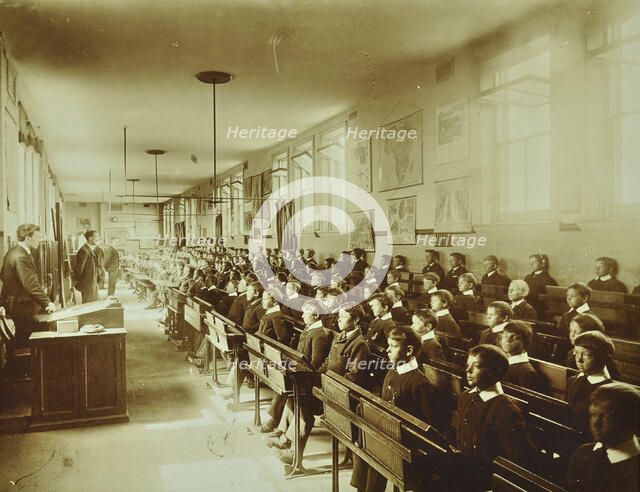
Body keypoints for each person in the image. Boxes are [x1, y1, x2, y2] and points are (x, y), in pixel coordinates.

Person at [351, 326, 436, 492]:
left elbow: (426, 424)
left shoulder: (419, 383)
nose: (387, 350)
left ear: (409, 350)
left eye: (393, 346)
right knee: (369, 445)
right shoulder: (392, 371)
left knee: (375, 447)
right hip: (387, 435)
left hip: (404, 445)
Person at [457, 344, 536, 490]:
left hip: (488, 481)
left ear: (494, 372)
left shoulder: (506, 411)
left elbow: (519, 460)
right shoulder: (465, 397)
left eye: (477, 366)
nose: (467, 370)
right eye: (468, 365)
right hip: (467, 472)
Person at [269, 300, 332, 463]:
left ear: (316, 315)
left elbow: (314, 366)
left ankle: (292, 452)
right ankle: (284, 438)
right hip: (304, 380)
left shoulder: (319, 335)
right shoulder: (310, 330)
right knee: (291, 397)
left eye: (306, 312)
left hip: (313, 385)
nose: (302, 315)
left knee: (301, 404)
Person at [567, 382, 639, 492]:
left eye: (606, 417)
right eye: (593, 415)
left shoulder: (634, 471)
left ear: (629, 422)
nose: (595, 423)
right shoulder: (582, 453)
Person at [0, 224, 56, 347]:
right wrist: (47, 303)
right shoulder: (20, 256)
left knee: (27, 337)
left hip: (16, 306)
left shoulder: (14, 252)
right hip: (21, 308)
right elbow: (30, 284)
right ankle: (27, 364)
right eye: (37, 237)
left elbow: (2, 275)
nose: (40, 240)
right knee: (31, 340)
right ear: (27, 237)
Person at [566, 331, 615, 436]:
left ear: (601, 357)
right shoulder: (573, 381)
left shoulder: (607, 391)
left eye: (586, 355)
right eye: (577, 353)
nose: (579, 360)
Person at [500, 321, 548, 394]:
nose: (508, 340)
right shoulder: (503, 362)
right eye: (505, 336)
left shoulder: (527, 373)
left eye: (515, 337)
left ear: (525, 342)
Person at [524, 253, 557, 319]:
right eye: (531, 262)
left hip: (539, 311)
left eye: (534, 262)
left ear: (542, 264)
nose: (531, 264)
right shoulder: (528, 278)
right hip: (526, 308)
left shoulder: (547, 280)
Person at [73, 230, 101, 303]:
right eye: (96, 237)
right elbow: (79, 269)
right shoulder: (84, 251)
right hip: (87, 283)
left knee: (93, 304)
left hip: (92, 282)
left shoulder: (89, 249)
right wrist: (81, 281)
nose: (98, 239)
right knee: (88, 305)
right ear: (90, 238)